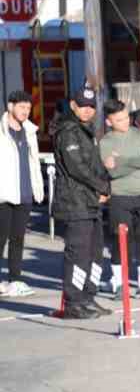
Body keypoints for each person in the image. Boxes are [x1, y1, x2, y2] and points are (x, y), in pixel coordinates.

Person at [50, 88, 111, 320]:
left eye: (91, 106)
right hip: (75, 201)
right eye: (83, 105)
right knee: (78, 253)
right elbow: (76, 167)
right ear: (73, 105)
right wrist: (101, 186)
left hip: (90, 201)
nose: (88, 109)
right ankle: (74, 302)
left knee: (95, 252)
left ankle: (88, 297)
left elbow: (94, 164)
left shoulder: (87, 130)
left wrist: (106, 184)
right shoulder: (68, 130)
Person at [98, 99, 140, 300]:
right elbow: (113, 173)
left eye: (126, 117)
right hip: (120, 197)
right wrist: (135, 162)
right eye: (119, 120)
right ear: (108, 122)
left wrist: (123, 161)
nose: (125, 122)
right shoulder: (106, 142)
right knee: (120, 240)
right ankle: (118, 283)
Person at [1, 90, 43, 297]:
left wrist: (38, 189)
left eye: (28, 108)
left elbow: (34, 162)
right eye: (21, 107)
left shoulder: (29, 131)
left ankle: (15, 280)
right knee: (1, 238)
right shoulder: (1, 130)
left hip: (24, 193)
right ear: (10, 107)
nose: (26, 111)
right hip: (3, 193)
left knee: (18, 239)